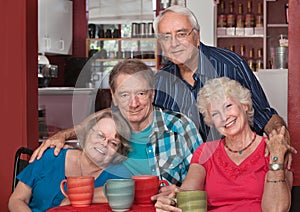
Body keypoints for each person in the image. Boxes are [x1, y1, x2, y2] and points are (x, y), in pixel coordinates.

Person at [30, 59, 203, 187]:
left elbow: (205, 180)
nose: (133, 104)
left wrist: (178, 194)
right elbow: (85, 128)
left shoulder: (180, 127)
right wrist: (63, 136)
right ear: (113, 96)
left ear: (152, 94)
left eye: (141, 94)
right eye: (124, 95)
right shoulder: (107, 125)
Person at [154, 77, 296, 212]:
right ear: (211, 121)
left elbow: (276, 209)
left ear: (244, 105)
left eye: (228, 106)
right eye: (215, 114)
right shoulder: (206, 151)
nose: (224, 117)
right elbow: (188, 194)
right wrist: (173, 198)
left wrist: (276, 157)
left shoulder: (275, 148)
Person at [153, 5, 289, 144]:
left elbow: (265, 117)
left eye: (181, 34)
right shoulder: (159, 81)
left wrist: (280, 143)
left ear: (197, 36)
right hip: (184, 164)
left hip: (233, 161)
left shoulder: (231, 66)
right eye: (166, 37)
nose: (174, 43)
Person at [8, 108, 131, 212]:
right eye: (100, 135)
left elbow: (125, 192)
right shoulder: (51, 156)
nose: (104, 144)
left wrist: (72, 198)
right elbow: (17, 200)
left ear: (118, 152)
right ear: (86, 134)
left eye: (113, 143)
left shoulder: (118, 173)